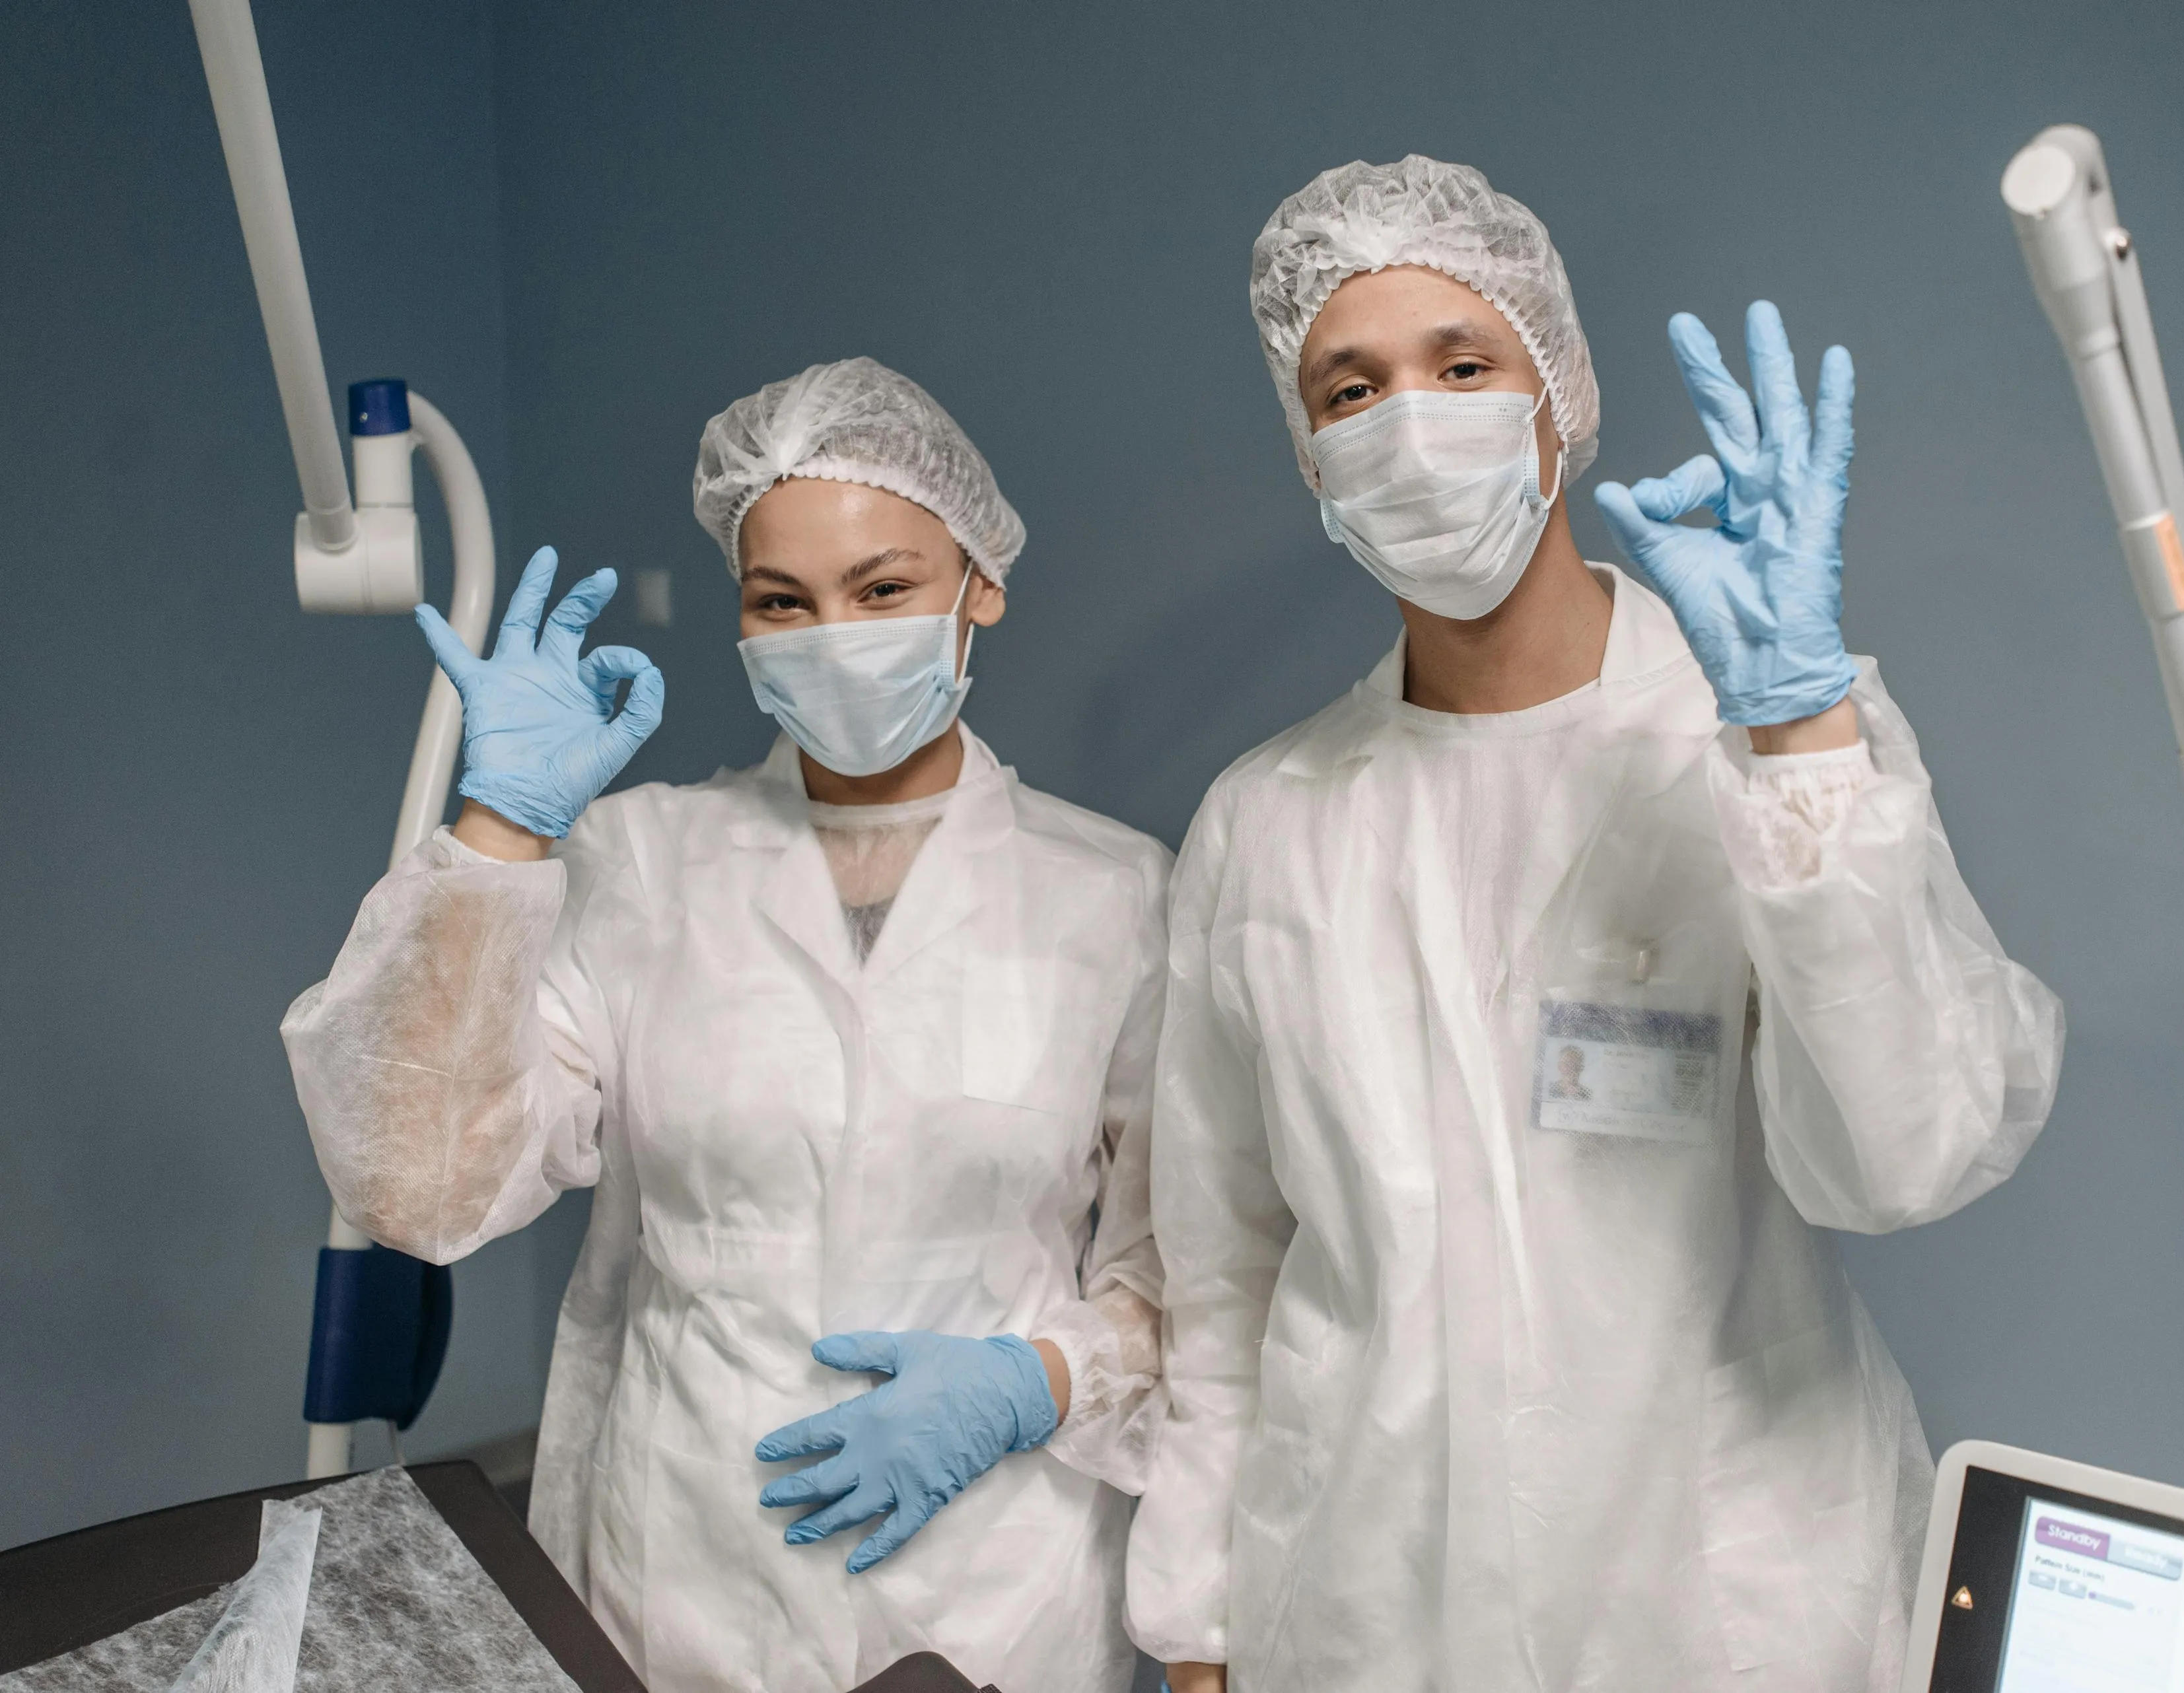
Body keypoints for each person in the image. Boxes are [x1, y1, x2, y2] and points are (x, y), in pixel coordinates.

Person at [1123, 156, 2065, 1692]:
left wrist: (1801, 733)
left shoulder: (1761, 739)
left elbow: (1907, 1154)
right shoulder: (1267, 818)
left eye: (1462, 364)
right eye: (1348, 389)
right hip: (1367, 1601)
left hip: (1714, 1597)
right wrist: (1199, 1632)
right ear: (1310, 459)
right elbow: (1224, 1272)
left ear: (1557, 397)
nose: (1411, 422)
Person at [281, 359, 1171, 1693]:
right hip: (681, 1577)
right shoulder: (638, 863)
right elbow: (422, 1185)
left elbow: (1194, 1279)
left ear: (980, 582)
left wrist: (1040, 1380)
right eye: (782, 602)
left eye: (883, 590)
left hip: (1001, 1588)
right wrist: (501, 833)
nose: (834, 634)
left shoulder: (1119, 892)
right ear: (743, 623)